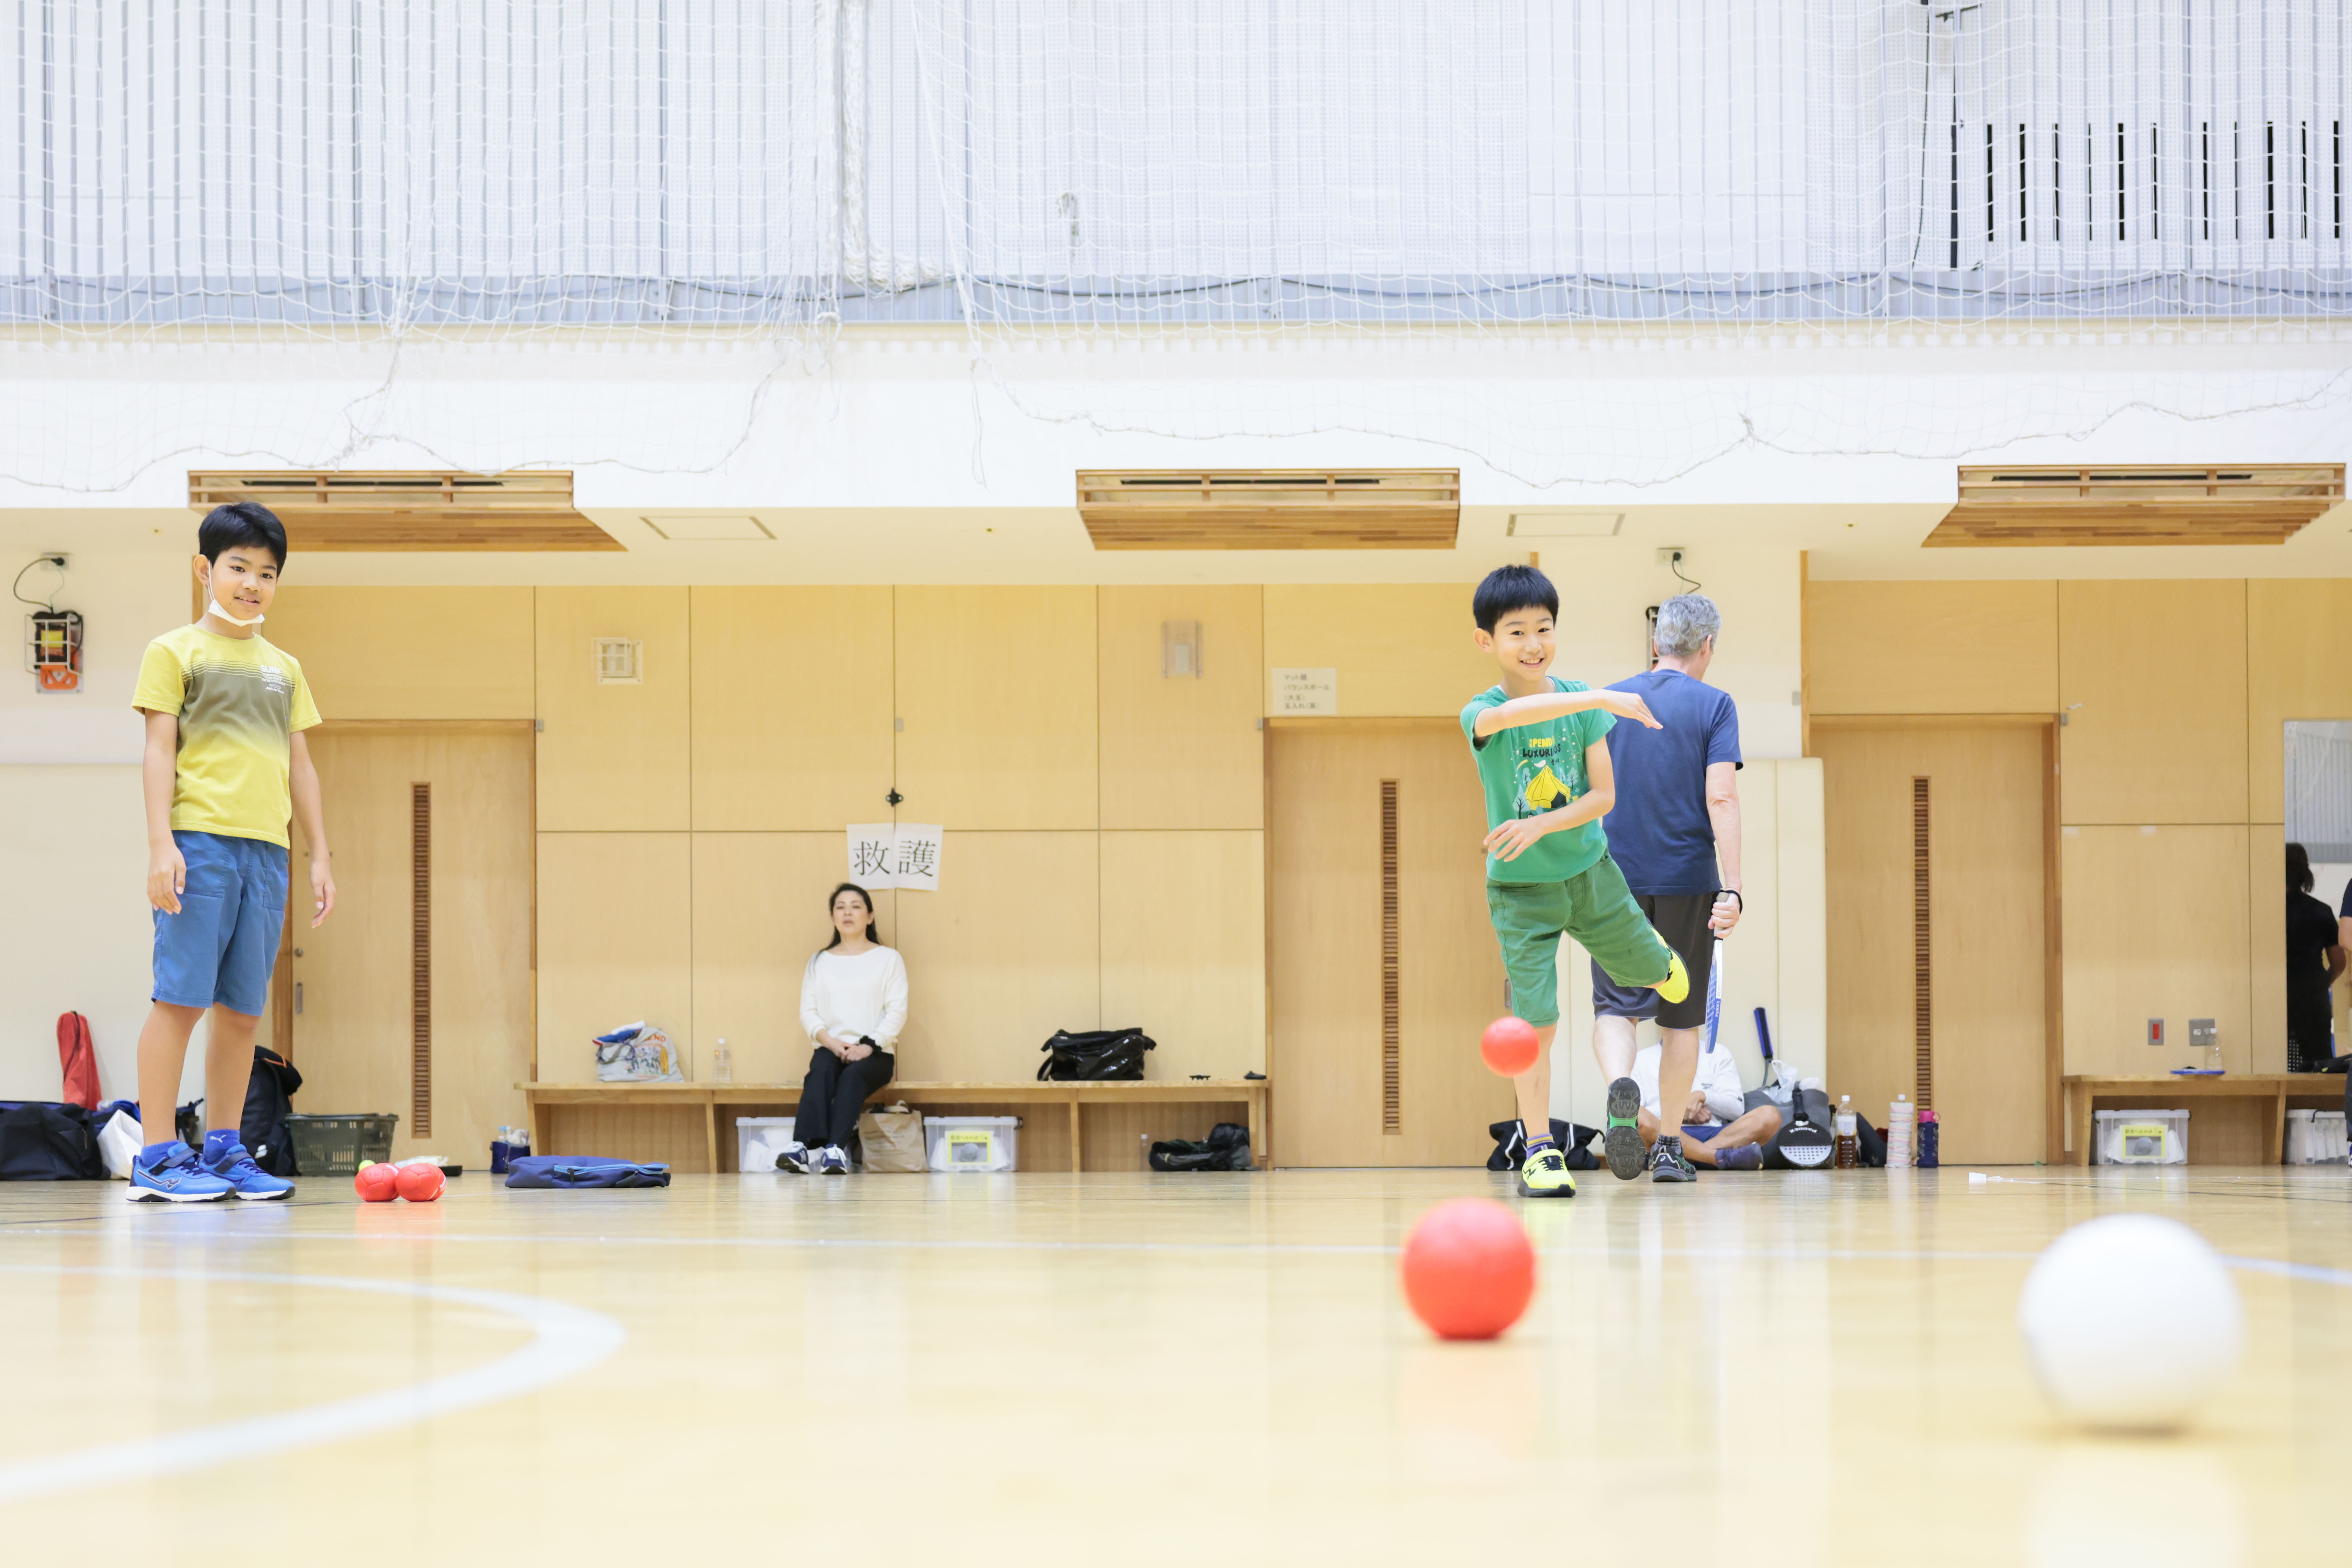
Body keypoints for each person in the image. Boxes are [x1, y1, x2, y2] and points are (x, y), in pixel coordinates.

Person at [126, 502, 333, 1202]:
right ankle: (158, 1153)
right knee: (180, 999)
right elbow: (159, 750)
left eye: (267, 573)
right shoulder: (174, 651)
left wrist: (319, 855)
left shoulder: (285, 668)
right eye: (239, 567)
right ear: (204, 569)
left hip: (266, 853)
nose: (252, 583)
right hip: (199, 846)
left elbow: (301, 766)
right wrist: (162, 844)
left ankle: (224, 1148)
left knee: (243, 1011)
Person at [1463, 565, 1690, 1200]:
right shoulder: (1480, 713)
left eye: (1544, 628)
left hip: (1592, 877)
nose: (1533, 643)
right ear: (1487, 641)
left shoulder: (1584, 708)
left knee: (1651, 972)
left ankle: (1658, 958)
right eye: (1516, 632)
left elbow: (1602, 797)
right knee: (1534, 1025)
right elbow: (1514, 713)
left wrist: (1540, 824)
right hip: (1520, 895)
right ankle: (1540, 1151)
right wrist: (1597, 697)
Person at [1591, 593, 1744, 1183]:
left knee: (1615, 1007)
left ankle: (1621, 1088)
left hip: (1614, 881)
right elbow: (1721, 796)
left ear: (1656, 644)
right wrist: (1733, 888)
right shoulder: (1715, 705)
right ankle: (1671, 1148)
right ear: (1707, 646)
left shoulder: (1609, 702)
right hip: (1687, 879)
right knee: (1679, 1021)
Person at [779, 883, 909, 1174]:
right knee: (821, 1070)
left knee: (852, 1077)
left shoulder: (889, 959)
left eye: (856, 907)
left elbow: (897, 1011)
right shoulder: (819, 961)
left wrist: (869, 1046)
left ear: (870, 917)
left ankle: (834, 1150)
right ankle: (800, 1147)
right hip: (832, 1047)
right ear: (833, 917)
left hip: (876, 1053)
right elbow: (808, 1012)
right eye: (841, 907)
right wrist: (832, 1043)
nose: (848, 913)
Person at [1624, 1041, 1781, 1170]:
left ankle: (1679, 1158)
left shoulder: (1719, 1053)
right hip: (1664, 1133)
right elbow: (1638, 1113)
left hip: (1717, 1134)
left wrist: (1704, 1097)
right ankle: (1718, 1158)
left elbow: (1737, 1109)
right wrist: (1679, 1113)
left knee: (1770, 1116)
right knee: (1635, 1115)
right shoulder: (1642, 1059)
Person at [2286, 843, 2345, 1072]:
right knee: (2319, 1069)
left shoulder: (2266, 913)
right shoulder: (2320, 911)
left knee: (2274, 1063)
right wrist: (2322, 983)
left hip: (2274, 1000)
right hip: (2312, 1000)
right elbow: (2339, 962)